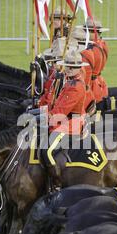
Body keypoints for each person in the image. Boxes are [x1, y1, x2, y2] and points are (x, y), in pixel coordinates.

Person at [39, 50, 88, 191]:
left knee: (46, 151)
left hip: (69, 126)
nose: (68, 69)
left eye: (72, 67)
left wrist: (42, 116)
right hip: (62, 119)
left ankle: (57, 184)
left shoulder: (76, 87)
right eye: (67, 66)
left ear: (79, 68)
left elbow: (60, 113)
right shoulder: (70, 81)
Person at [77, 17, 109, 103]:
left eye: (86, 31)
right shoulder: (102, 43)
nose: (84, 34)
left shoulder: (92, 50)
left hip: (92, 86)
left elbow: (86, 73)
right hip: (99, 82)